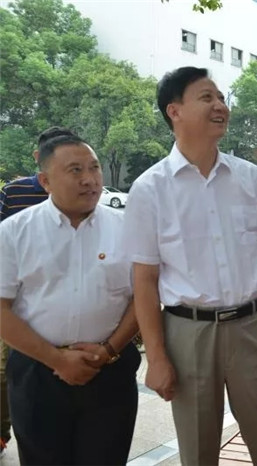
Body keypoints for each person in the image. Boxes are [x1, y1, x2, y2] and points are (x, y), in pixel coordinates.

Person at [123, 67, 257, 465]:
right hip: (189, 334)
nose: (220, 106)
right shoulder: (150, 188)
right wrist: (157, 357)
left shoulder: (248, 176)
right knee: (198, 451)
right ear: (175, 111)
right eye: (207, 97)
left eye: (221, 97)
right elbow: (144, 281)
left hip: (254, 327)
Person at [0, 134, 140, 465]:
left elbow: (144, 297)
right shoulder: (14, 232)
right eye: (75, 170)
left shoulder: (129, 228)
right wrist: (57, 359)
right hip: (37, 373)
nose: (90, 179)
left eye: (94, 168)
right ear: (45, 181)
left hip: (110, 370)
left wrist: (108, 351)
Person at [0, 126, 75, 457]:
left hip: (67, 297)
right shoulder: (15, 192)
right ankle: (3, 431)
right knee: (6, 370)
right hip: (18, 303)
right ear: (39, 158)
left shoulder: (81, 193)